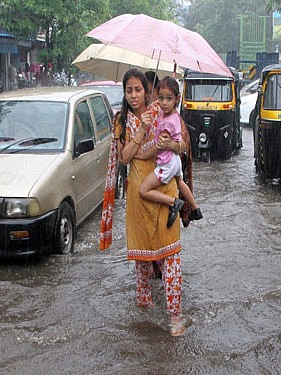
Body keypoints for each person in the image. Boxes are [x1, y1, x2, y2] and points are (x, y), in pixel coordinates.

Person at [99, 68, 187, 336]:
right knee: (143, 263)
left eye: (139, 90)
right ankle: (145, 316)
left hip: (165, 190)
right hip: (139, 193)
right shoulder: (120, 120)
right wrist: (145, 128)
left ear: (147, 91)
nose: (135, 95)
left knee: (171, 258)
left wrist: (170, 145)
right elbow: (124, 158)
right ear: (124, 93)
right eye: (129, 90)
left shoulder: (165, 110)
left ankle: (175, 316)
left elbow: (183, 146)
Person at [139, 76, 203, 227]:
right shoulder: (170, 115)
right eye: (160, 98)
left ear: (177, 99)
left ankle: (173, 202)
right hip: (175, 161)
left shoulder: (168, 122)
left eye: (169, 99)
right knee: (180, 182)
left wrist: (141, 153)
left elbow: (160, 144)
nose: (164, 103)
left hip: (166, 163)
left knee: (144, 190)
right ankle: (195, 208)